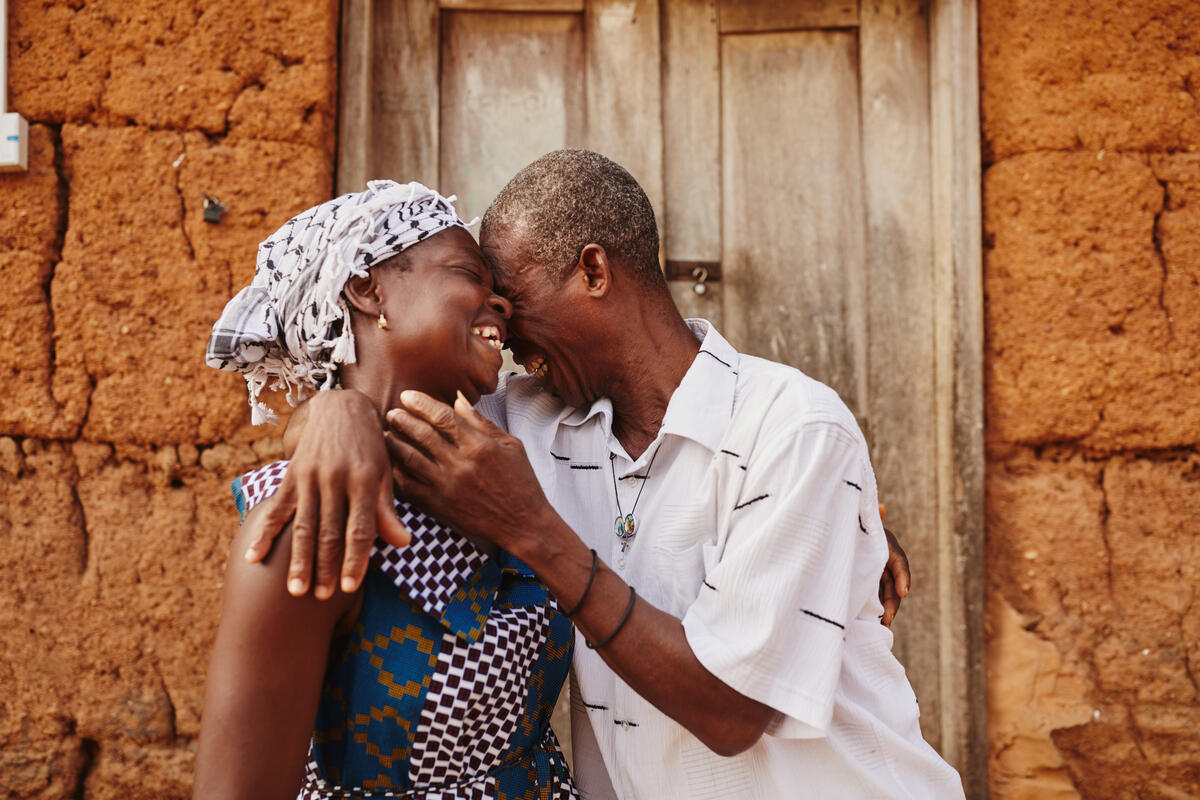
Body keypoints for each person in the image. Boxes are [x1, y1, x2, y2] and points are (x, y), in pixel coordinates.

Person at [248, 150, 963, 797]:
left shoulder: (792, 430)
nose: (504, 324)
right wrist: (335, 415)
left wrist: (532, 530)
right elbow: (394, 394)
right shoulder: (530, 419)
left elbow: (732, 712)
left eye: (512, 295)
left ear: (593, 272)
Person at [193, 181, 578, 799]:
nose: (499, 303)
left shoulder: (496, 455)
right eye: (468, 273)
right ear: (368, 288)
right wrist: (334, 411)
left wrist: (338, 409)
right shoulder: (309, 524)